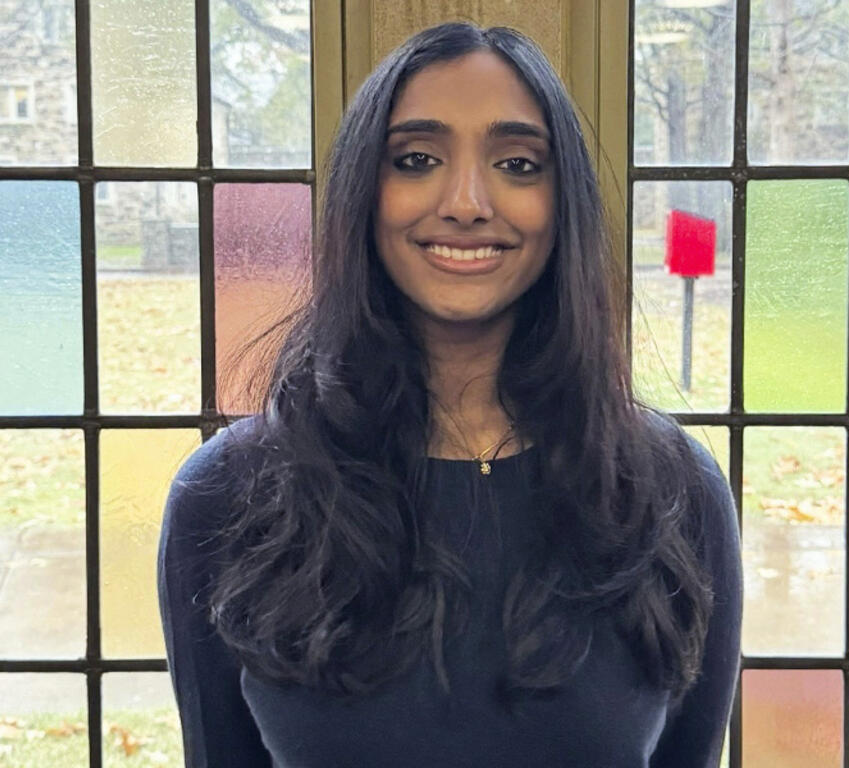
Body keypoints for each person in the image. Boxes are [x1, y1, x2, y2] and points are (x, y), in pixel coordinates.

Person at [157, 21, 741, 768]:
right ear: (365, 193)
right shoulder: (228, 496)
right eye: (419, 159)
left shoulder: (671, 490)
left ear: (564, 204)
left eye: (519, 163)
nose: (466, 201)